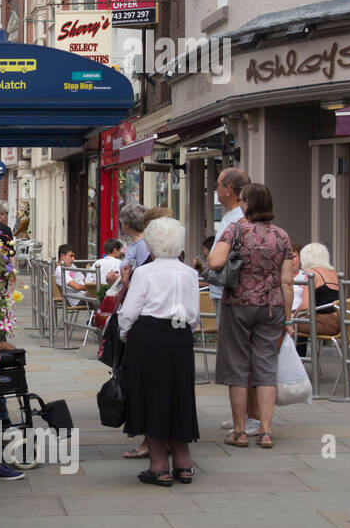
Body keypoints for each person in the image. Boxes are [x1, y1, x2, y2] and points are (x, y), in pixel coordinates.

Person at [207, 183, 294, 449]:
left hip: (239, 303)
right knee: (266, 366)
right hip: (272, 306)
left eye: (243, 201)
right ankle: (266, 432)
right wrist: (288, 319)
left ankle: (240, 431)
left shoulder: (236, 230)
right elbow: (287, 281)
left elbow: (215, 262)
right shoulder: (282, 236)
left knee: (237, 366)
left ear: (247, 204)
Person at [116, 217, 201, 487]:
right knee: (179, 395)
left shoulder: (145, 272)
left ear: (151, 245)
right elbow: (195, 316)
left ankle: (159, 466)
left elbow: (129, 313)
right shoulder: (189, 273)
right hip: (180, 336)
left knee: (150, 397)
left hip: (149, 336)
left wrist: (125, 335)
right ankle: (184, 463)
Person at [293, 242, 341, 354]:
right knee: (296, 322)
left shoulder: (312, 273)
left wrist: (292, 317)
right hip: (338, 322)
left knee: (283, 324)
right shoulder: (333, 273)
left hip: (324, 323)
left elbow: (305, 306)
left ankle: (292, 364)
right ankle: (300, 361)